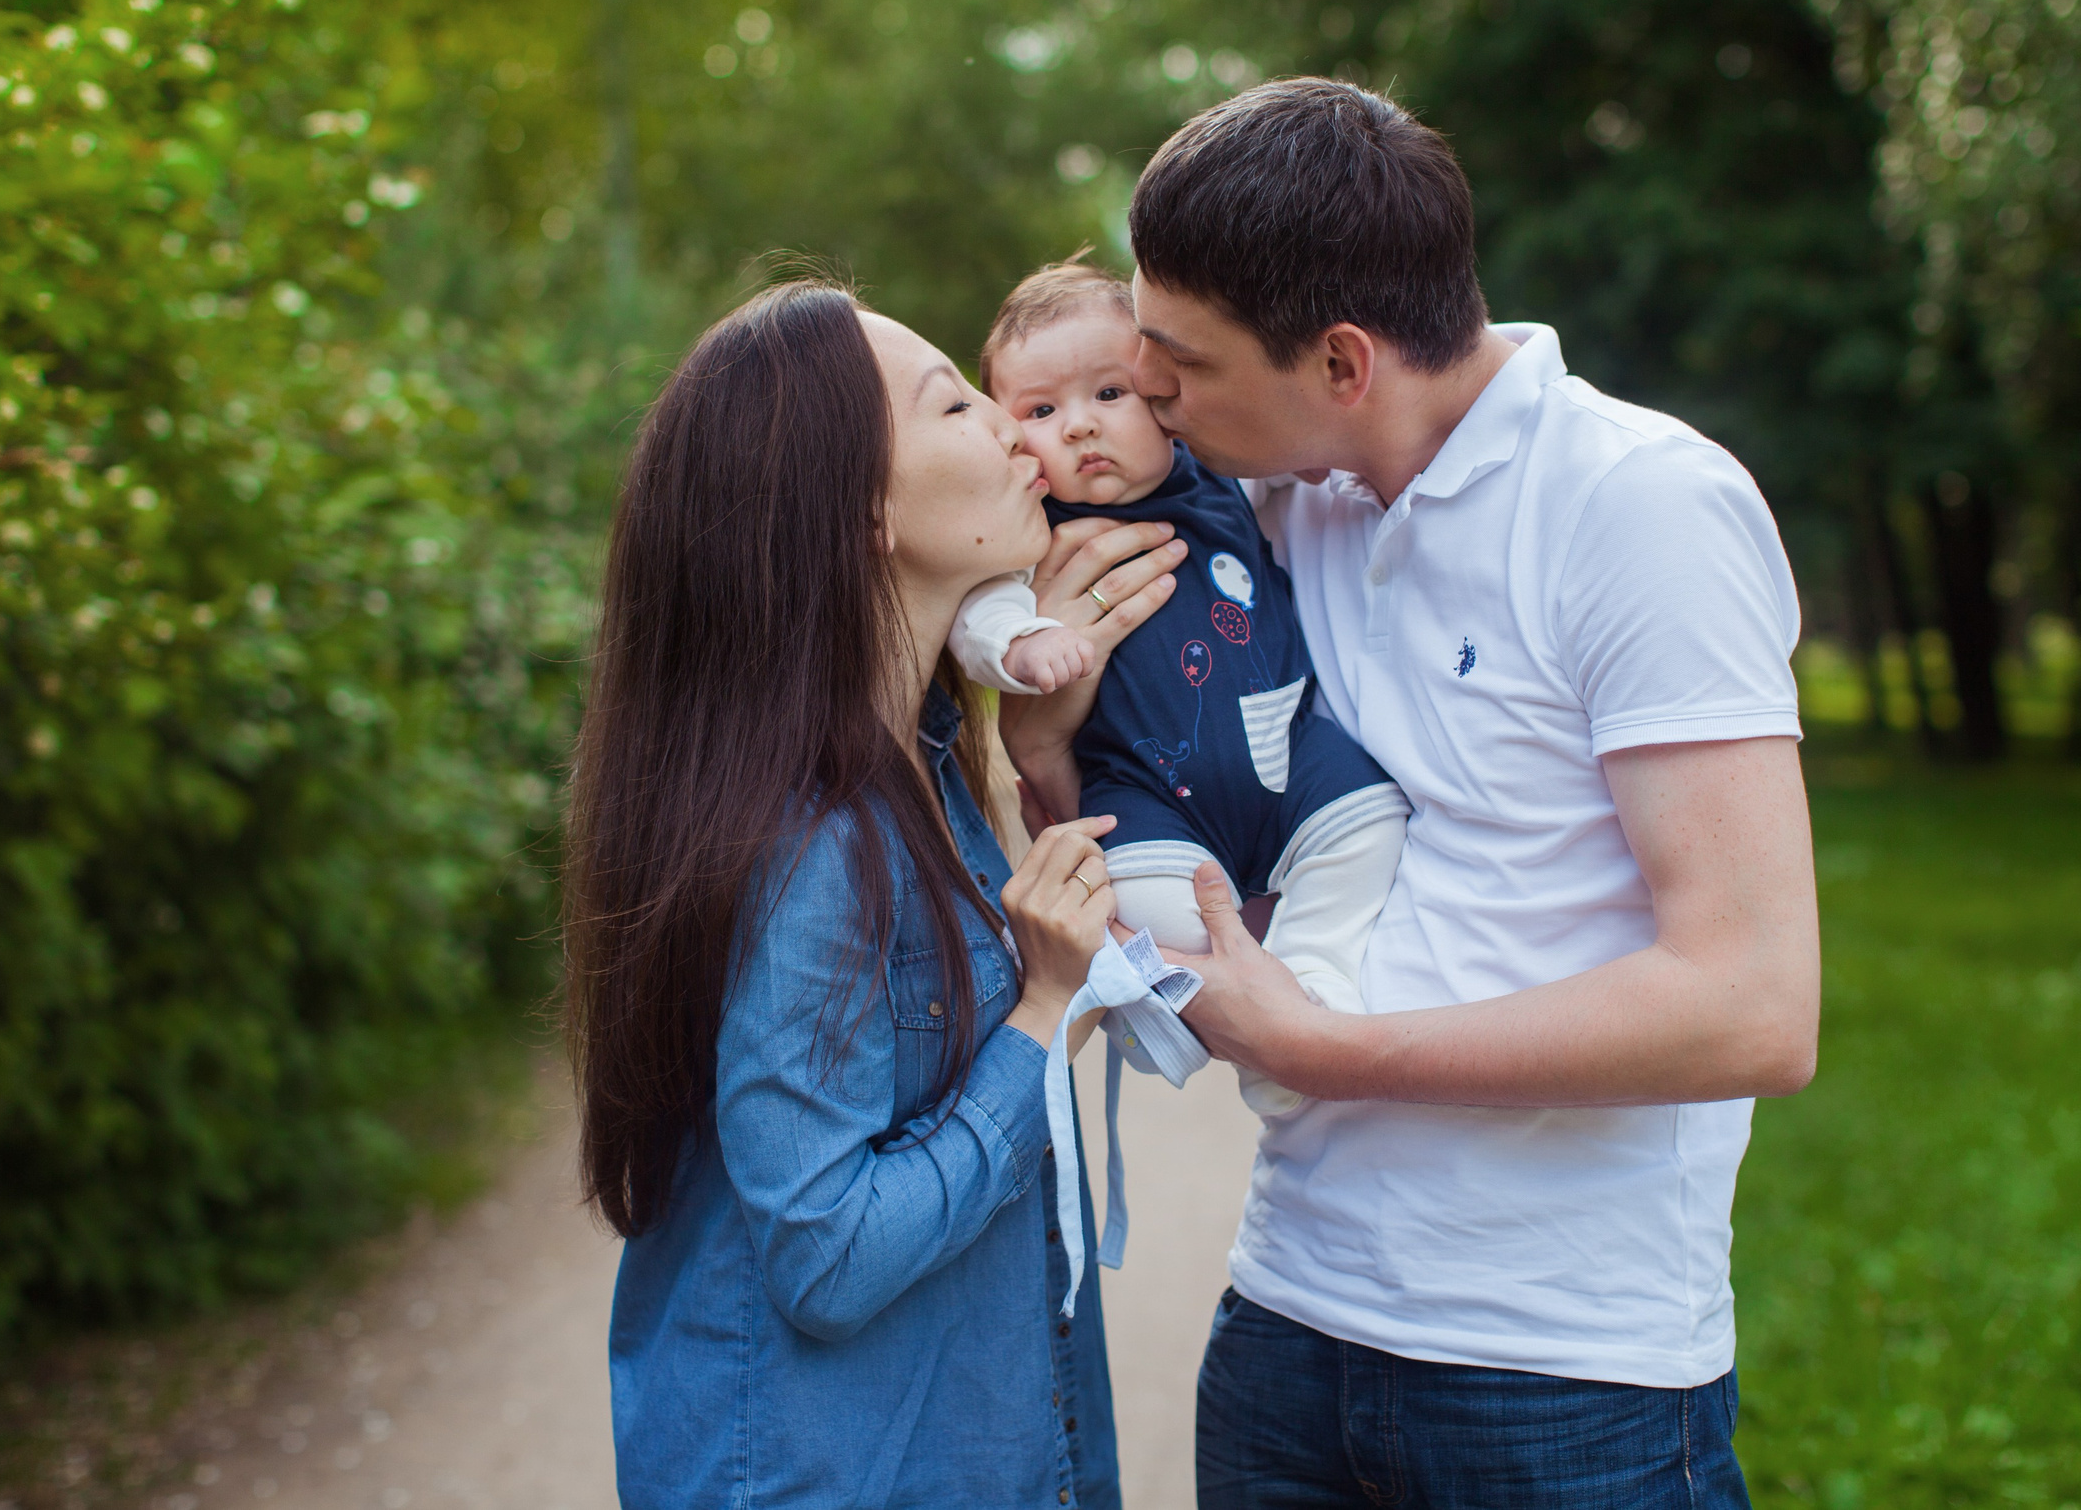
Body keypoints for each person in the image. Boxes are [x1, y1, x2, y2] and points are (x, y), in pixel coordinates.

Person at [1002, 80, 1822, 1508]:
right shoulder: (1275, 502)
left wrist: (1327, 1048)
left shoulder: (1638, 506)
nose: (1151, 397)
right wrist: (1048, 737)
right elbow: (1169, 787)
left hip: (1562, 1371)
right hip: (1286, 1316)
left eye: (1177, 367)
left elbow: (1751, 1001)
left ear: (1342, 361)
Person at [561, 280, 1183, 1510]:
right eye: (955, 405)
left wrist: (1041, 739)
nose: (1014, 428)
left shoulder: (926, 763)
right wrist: (1040, 1015)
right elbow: (829, 1255)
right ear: (861, 514)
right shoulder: (813, 841)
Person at [949, 260, 1409, 1119]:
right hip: (1147, 786)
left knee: (1372, 820)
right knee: (1151, 901)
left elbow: (1292, 448)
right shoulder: (1032, 535)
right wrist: (1021, 643)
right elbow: (980, 615)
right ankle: (1167, 1018)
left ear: (1162, 395)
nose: (1080, 426)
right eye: (1041, 412)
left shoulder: (1220, 473)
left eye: (1109, 393)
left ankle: (1310, 981)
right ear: (1011, 443)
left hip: (1286, 747)